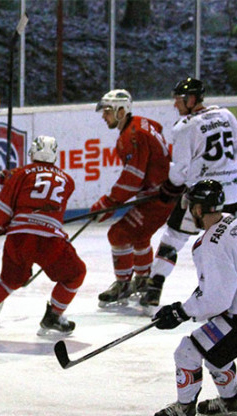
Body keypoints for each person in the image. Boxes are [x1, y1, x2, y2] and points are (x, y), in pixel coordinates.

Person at [151, 179, 237, 416]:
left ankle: (184, 408)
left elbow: (217, 297)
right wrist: (196, 303)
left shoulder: (209, 244)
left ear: (198, 209)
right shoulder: (234, 221)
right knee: (215, 353)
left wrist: (181, 311)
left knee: (188, 350)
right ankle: (230, 402)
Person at [140, 77, 237, 309]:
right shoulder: (226, 115)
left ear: (191, 99)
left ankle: (155, 285)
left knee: (173, 237)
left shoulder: (185, 127)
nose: (175, 104)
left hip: (204, 196)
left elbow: (180, 171)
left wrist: (169, 189)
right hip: (234, 193)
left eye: (178, 99)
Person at [0, 135, 86, 334]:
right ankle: (54, 316)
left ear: (32, 152)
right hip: (50, 240)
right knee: (75, 273)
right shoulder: (68, 181)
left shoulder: (19, 173)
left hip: (20, 237)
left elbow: (5, 206)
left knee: (9, 279)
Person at [91, 89, 177, 307]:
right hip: (163, 192)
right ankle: (141, 281)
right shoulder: (142, 124)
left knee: (118, 234)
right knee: (139, 236)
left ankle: (123, 285)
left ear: (122, 111)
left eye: (108, 112)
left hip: (158, 197)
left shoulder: (132, 136)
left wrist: (108, 203)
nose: (104, 116)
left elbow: (133, 178)